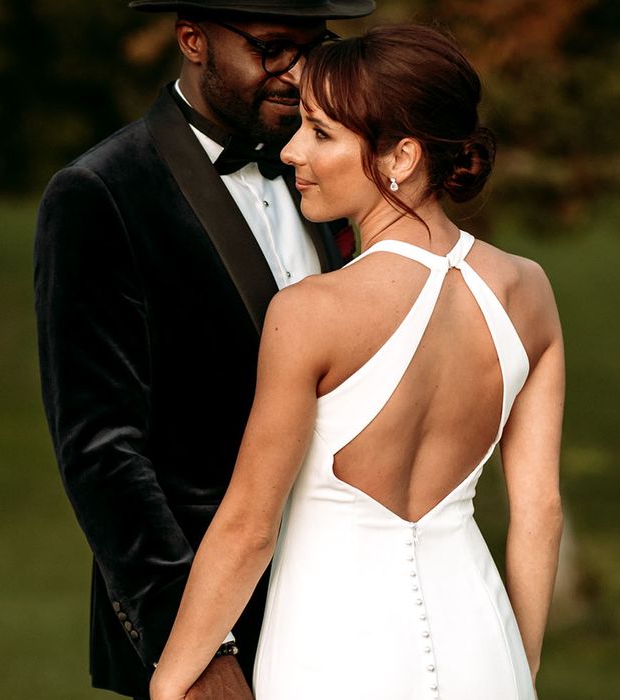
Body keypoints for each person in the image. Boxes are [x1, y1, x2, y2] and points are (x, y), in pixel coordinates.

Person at [149, 24, 564, 700]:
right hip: (486, 648)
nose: (291, 152)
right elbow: (540, 510)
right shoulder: (528, 290)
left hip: (332, 652)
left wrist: (170, 682)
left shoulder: (313, 311)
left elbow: (250, 526)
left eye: (320, 132)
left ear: (400, 156)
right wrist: (518, 667)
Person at [34, 1, 375, 699]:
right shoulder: (100, 194)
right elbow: (101, 448)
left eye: (317, 48)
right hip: (212, 626)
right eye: (275, 48)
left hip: (351, 612)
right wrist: (195, 648)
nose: (301, 74)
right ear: (193, 39)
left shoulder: (329, 173)